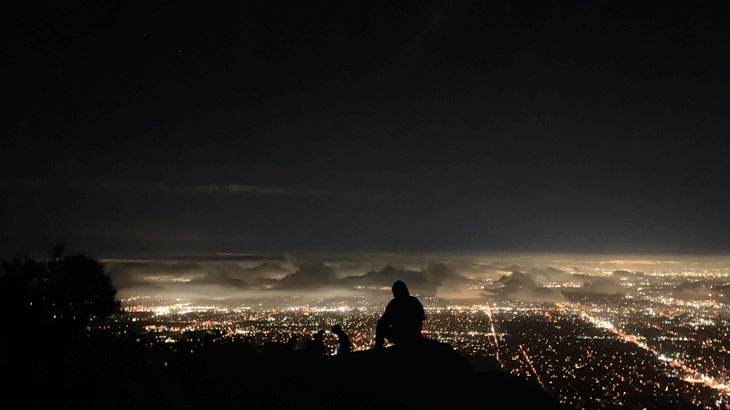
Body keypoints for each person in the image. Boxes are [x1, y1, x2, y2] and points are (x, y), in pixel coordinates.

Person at [375, 281, 425, 348]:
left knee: (381, 327)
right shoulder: (414, 302)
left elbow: (383, 322)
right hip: (415, 337)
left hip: (400, 337)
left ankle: (378, 350)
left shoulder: (394, 304)